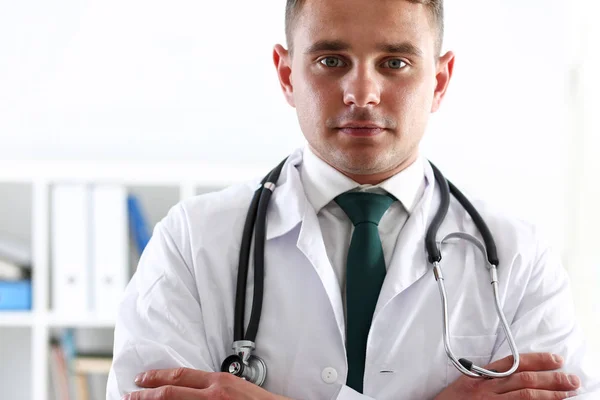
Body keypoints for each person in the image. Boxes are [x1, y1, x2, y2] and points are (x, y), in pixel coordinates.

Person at [107, 0, 600, 399]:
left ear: (440, 81)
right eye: (331, 60)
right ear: (286, 75)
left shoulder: (519, 258)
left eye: (395, 62)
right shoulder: (193, 243)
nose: (361, 92)